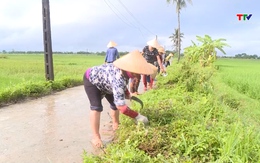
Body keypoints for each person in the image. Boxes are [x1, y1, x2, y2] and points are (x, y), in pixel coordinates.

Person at [83, 50, 156, 148]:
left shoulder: (124, 71)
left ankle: (116, 124)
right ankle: (96, 137)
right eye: (138, 73)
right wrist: (137, 116)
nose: (139, 75)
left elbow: (123, 84)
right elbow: (122, 107)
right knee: (96, 107)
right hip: (92, 79)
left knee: (114, 104)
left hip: (107, 82)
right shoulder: (118, 79)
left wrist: (126, 93)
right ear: (132, 70)